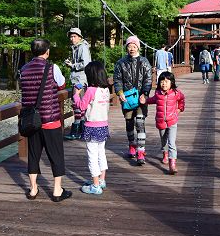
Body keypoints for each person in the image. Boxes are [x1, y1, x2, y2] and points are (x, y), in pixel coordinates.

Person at [20, 38, 72, 202]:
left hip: (31, 121)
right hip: (50, 119)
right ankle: (57, 191)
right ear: (47, 52)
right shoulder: (51, 67)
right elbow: (62, 85)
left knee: (34, 154)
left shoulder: (24, 69)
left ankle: (33, 189)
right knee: (55, 154)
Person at [113, 36, 153, 165]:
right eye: (129, 46)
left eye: (134, 46)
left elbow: (148, 79)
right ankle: (132, 145)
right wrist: (119, 92)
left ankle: (141, 151)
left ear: (138, 48)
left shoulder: (144, 62)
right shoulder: (121, 63)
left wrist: (145, 94)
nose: (132, 48)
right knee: (129, 122)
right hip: (128, 98)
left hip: (141, 98)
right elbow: (117, 79)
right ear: (126, 48)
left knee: (140, 123)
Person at [73, 61, 110, 195]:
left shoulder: (91, 90)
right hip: (103, 125)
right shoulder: (105, 89)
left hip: (92, 127)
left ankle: (95, 186)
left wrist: (76, 94)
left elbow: (81, 106)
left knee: (92, 156)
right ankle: (101, 180)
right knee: (101, 153)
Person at [140, 71, 185, 175]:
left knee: (172, 143)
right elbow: (152, 100)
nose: (164, 84)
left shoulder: (176, 93)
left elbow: (182, 99)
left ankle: (172, 164)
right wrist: (145, 101)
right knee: (163, 140)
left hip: (172, 120)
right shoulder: (158, 94)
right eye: (161, 82)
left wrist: (180, 109)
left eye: (166, 81)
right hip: (161, 121)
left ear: (171, 83)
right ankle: (165, 153)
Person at [64, 27, 92, 140]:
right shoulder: (76, 48)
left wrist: (72, 66)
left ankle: (76, 131)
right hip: (78, 79)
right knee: (79, 106)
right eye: (71, 36)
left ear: (80, 37)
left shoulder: (82, 48)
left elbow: (86, 64)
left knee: (78, 106)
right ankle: (81, 131)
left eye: (74, 36)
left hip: (80, 80)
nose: (72, 38)